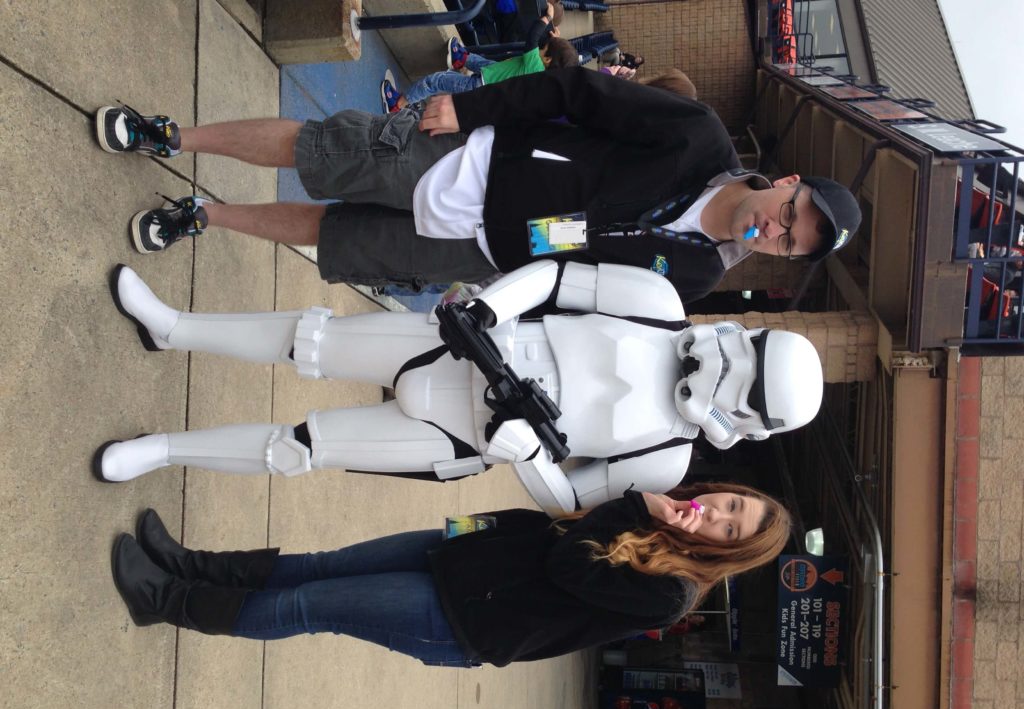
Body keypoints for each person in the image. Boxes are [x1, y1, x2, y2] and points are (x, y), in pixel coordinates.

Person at [95, 260, 824, 514]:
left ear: (748, 423)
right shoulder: (658, 304)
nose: (730, 364)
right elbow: (563, 277)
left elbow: (572, 499)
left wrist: (527, 457)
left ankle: (161, 450)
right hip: (472, 344)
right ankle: (175, 326)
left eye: (748, 385)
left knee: (303, 448)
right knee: (309, 339)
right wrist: (492, 309)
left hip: (465, 436)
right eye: (750, 351)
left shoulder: (669, 458)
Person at [95, 67, 862, 303]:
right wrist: (469, 104)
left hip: (479, 257)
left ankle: (203, 214)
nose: (779, 232)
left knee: (333, 236)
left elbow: (579, 292)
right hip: (472, 162)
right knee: (322, 150)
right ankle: (171, 135)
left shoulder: (694, 275)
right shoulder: (696, 136)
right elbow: (576, 92)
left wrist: (494, 299)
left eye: (793, 245)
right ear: (785, 182)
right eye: (791, 214)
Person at [110, 483, 792, 666]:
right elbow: (553, 522)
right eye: (730, 505)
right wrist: (473, 526)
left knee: (309, 605)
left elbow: (567, 563)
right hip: (464, 551)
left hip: (463, 620)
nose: (718, 519)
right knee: (317, 565)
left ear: (729, 554)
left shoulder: (671, 594)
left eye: (731, 530)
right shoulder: (661, 515)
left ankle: (166, 600)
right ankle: (189, 564)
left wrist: (626, 505)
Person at [381, 33, 577, 114]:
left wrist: (547, 18)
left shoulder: (534, 63)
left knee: (437, 82)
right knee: (486, 63)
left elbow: (533, 33)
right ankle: (460, 58)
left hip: (480, 86)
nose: (541, 47)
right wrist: (556, 44)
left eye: (545, 48)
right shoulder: (542, 77)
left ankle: (398, 105)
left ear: (548, 60)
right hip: (492, 81)